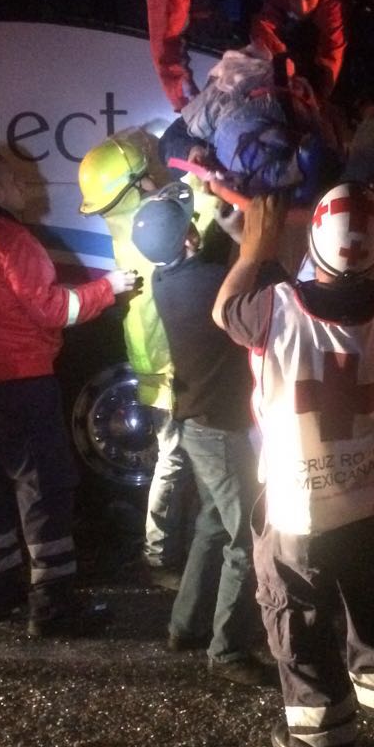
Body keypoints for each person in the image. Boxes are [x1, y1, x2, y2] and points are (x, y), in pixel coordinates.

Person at [213, 183, 374, 747]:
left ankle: (323, 743)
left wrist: (253, 250)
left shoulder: (272, 308)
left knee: (298, 618)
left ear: (311, 243)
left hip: (299, 508)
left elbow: (223, 308)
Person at [0, 151, 138, 636]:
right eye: (16, 182)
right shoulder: (13, 240)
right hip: (25, 382)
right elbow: (54, 310)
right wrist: (108, 288)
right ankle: (52, 605)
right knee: (43, 489)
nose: (26, 188)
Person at [129, 183, 271, 686]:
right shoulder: (208, 283)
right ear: (189, 236)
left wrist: (226, 238)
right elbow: (265, 280)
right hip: (220, 431)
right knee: (247, 538)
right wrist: (247, 237)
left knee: (213, 524)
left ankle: (185, 625)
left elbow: (212, 264)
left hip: (197, 425)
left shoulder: (168, 278)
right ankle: (227, 650)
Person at [78, 135, 223, 589]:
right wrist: (205, 176)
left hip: (155, 365)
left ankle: (172, 549)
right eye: (147, 174)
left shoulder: (129, 226)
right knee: (176, 461)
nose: (156, 178)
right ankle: (159, 555)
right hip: (170, 368)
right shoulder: (151, 230)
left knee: (176, 459)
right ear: (136, 184)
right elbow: (202, 213)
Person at [250, 0, 347, 101]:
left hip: (317, 38)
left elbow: (332, 48)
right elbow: (263, 24)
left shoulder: (331, 2)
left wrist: (321, 92)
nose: (303, 8)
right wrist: (281, 58)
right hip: (292, 37)